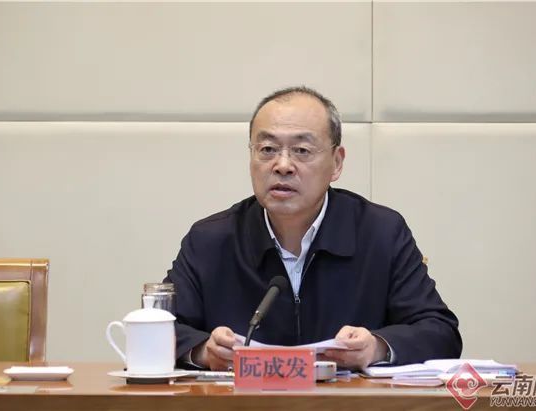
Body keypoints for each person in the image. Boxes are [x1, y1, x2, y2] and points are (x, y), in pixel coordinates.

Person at [164, 86, 462, 371]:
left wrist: (376, 348)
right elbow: (159, 327)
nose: (282, 165)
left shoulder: (380, 233)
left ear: (336, 162)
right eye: (267, 149)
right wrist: (204, 351)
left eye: (302, 150)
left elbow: (440, 332)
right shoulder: (211, 241)